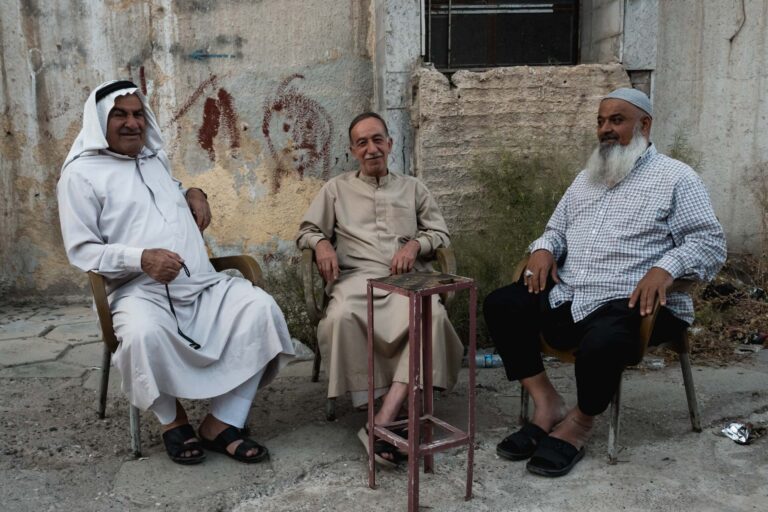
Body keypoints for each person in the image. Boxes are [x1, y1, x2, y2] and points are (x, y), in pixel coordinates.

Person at [483, 88, 726, 477]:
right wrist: (543, 249)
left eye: (616, 120)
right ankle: (548, 405)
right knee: (502, 304)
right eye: (600, 121)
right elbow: (556, 228)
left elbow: (708, 241)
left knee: (604, 341)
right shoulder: (588, 177)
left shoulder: (677, 177)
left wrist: (666, 268)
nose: (605, 129)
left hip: (639, 301)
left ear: (644, 125)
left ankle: (579, 423)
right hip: (574, 292)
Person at [57, 80, 295, 465]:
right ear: (100, 120)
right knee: (140, 334)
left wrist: (195, 192)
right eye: (120, 115)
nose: (132, 123)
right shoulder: (80, 176)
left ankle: (223, 421)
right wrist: (141, 259)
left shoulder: (154, 158)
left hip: (200, 285)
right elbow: (83, 250)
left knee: (261, 310)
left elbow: (170, 191)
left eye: (137, 114)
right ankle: (173, 420)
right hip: (139, 293)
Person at [296, 112, 463, 466]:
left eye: (377, 140)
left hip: (407, 277)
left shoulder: (414, 187)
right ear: (352, 150)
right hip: (356, 278)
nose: (371, 149)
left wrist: (416, 245)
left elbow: (441, 234)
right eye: (362, 143)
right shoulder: (335, 189)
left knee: (430, 315)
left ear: (389, 143)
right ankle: (383, 412)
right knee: (340, 315)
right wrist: (321, 245)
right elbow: (306, 230)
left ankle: (382, 421)